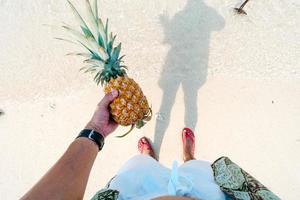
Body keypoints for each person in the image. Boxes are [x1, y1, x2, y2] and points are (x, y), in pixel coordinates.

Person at [21, 90, 226, 200]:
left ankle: (148, 159)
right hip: (206, 194)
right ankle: (189, 157)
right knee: (199, 170)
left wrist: (95, 130)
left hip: (133, 193)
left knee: (139, 165)